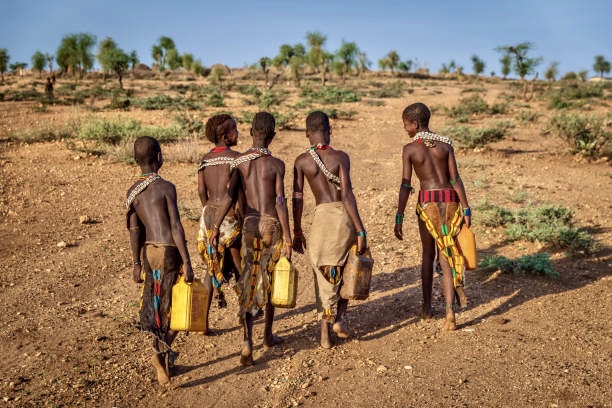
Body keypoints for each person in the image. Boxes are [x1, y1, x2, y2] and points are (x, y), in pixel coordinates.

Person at [211, 111, 292, 366]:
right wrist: (288, 236)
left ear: (250, 132)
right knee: (268, 279)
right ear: (273, 135)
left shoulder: (240, 163)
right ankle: (267, 335)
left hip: (249, 225)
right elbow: (280, 202)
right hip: (270, 224)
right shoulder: (277, 165)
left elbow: (229, 197)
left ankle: (247, 341)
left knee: (249, 280)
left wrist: (215, 226)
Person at [292, 111, 367, 349]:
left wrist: (297, 229)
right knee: (347, 265)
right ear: (329, 130)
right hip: (342, 217)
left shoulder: (301, 161)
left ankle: (324, 333)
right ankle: (341, 319)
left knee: (322, 272)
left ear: (307, 133)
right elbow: (346, 194)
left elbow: (297, 197)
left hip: (321, 218)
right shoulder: (340, 157)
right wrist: (360, 229)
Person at [394, 102, 471, 331]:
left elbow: (406, 185)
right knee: (446, 252)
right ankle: (449, 312)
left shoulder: (410, 149)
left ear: (416, 124)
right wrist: (466, 209)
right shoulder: (446, 145)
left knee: (428, 254)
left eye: (406, 124)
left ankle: (427, 308)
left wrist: (399, 216)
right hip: (450, 202)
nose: (405, 129)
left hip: (427, 203)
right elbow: (455, 179)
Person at [126, 136, 194, 385]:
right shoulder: (166, 187)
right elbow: (176, 226)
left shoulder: (133, 192)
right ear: (158, 158)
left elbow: (135, 231)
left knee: (157, 306)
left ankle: (164, 359)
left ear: (136, 160)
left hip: (149, 252)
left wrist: (136, 263)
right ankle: (159, 355)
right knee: (175, 308)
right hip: (168, 252)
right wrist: (187, 261)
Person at [197, 114, 243, 323]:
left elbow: (200, 191)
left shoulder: (205, 160)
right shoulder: (236, 159)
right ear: (226, 136)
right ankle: (246, 313)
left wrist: (208, 210)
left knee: (211, 266)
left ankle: (202, 322)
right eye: (235, 129)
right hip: (229, 217)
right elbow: (234, 194)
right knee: (238, 263)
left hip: (208, 215)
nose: (238, 132)